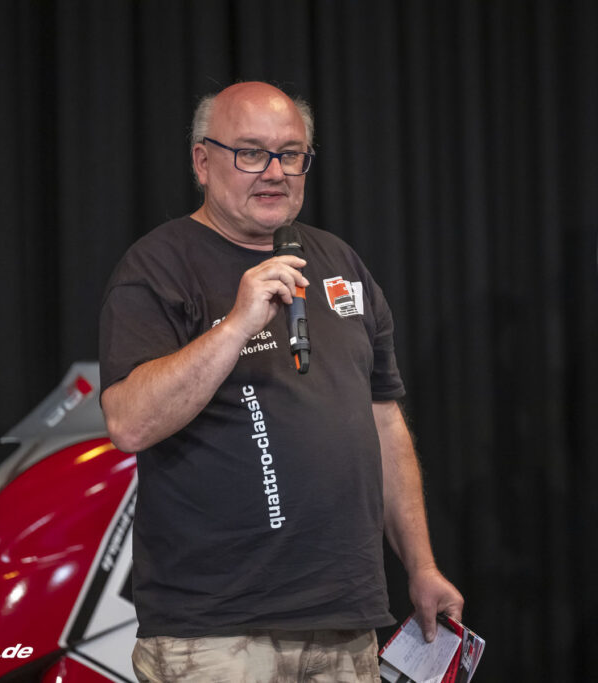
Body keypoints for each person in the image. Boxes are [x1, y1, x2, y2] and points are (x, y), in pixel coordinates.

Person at [98, 81, 463, 682]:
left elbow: (384, 423)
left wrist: (421, 566)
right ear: (202, 161)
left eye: (291, 154)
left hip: (345, 621)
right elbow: (129, 423)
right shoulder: (157, 267)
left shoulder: (341, 263)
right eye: (251, 153)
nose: (274, 172)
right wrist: (237, 323)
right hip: (218, 630)